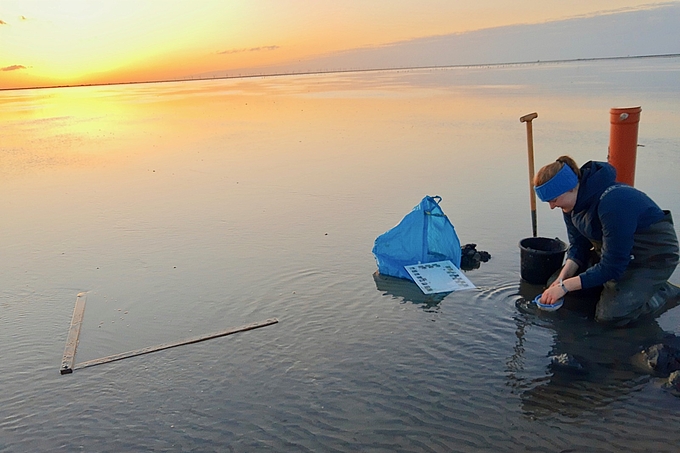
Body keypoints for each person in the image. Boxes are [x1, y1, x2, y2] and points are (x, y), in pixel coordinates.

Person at [534, 156, 680, 326]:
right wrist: (561, 280)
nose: (552, 206)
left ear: (571, 188)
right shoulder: (569, 205)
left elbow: (613, 266)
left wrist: (566, 286)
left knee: (611, 316)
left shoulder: (613, 202)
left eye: (553, 200)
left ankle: (660, 291)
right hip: (612, 252)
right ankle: (614, 288)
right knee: (553, 285)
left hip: (651, 256)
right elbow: (578, 246)